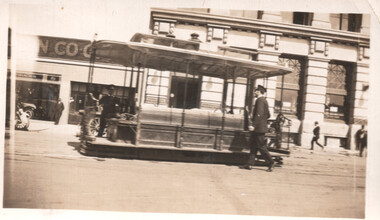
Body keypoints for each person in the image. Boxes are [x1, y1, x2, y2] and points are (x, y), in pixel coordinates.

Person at [243, 85, 275, 172]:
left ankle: (271, 162)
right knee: (253, 146)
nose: (254, 92)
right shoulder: (264, 100)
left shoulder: (259, 100)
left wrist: (253, 124)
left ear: (259, 91)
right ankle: (250, 164)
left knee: (261, 147)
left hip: (258, 128)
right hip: (260, 127)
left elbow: (259, 114)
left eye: (255, 91)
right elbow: (268, 115)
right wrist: (262, 121)